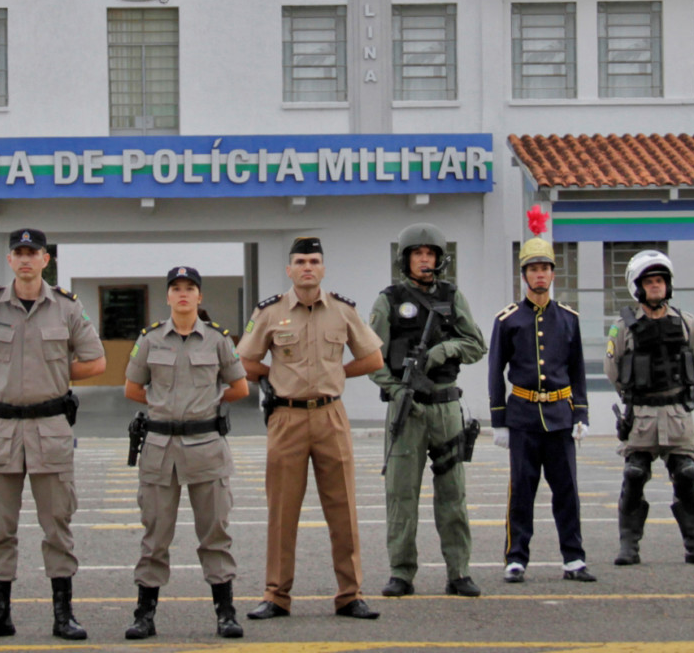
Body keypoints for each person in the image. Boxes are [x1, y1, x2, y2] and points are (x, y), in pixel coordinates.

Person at [0, 228, 107, 641]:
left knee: (57, 525)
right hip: (2, 428)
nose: (25, 259)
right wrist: (7, 373)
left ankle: (64, 614)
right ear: (10, 260)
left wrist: (54, 372)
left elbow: (95, 362)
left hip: (50, 427)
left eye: (33, 253)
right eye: (18, 253)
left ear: (46, 259)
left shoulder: (67, 308)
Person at [235, 235, 384, 621]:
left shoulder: (343, 310)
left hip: (331, 415)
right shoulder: (269, 312)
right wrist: (276, 374)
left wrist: (337, 374)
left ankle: (350, 594)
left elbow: (373, 358)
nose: (307, 267)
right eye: (300, 261)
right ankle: (276, 595)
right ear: (289, 269)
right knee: (282, 510)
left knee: (343, 508)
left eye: (314, 261)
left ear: (322, 268)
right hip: (286, 417)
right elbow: (243, 362)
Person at [123, 266, 249, 640]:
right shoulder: (149, 340)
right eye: (175, 288)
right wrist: (163, 406)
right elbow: (132, 388)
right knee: (155, 536)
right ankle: (144, 614)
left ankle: (225, 612)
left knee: (215, 534)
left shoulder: (218, 340)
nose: (182, 294)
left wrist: (206, 404)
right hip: (160, 448)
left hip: (206, 446)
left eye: (189, 288)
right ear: (167, 297)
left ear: (199, 296)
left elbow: (239, 387)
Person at [368, 224, 486, 598]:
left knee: (453, 494)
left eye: (430, 254)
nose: (424, 260)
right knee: (401, 494)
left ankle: (459, 572)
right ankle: (401, 572)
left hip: (446, 407)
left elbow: (475, 344)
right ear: (406, 259)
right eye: (417, 253)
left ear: (439, 259)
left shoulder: (453, 297)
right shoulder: (387, 300)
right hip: (408, 408)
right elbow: (372, 358)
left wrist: (443, 351)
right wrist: (396, 389)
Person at [486, 227, 594, 584]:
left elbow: (577, 370)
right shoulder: (508, 320)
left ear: (553, 273)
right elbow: (495, 371)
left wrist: (581, 413)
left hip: (560, 417)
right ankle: (516, 557)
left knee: (567, 491)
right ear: (524, 275)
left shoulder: (568, 318)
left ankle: (574, 558)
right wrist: (498, 420)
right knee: (521, 491)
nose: (540, 274)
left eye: (545, 268)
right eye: (533, 269)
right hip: (523, 417)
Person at [604, 250, 694, 567]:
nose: (656, 287)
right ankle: (629, 546)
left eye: (660, 281)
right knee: (634, 473)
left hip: (678, 414)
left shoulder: (687, 324)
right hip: (640, 416)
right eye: (650, 282)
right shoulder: (621, 328)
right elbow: (613, 370)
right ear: (637, 287)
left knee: (686, 474)